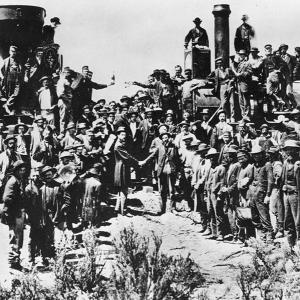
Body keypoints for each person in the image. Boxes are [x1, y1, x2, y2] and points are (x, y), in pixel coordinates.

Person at [2, 160, 28, 270]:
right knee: (15, 238)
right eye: (20, 169)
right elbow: (6, 198)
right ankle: (13, 262)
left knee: (18, 237)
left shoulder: (18, 180)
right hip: (14, 214)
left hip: (17, 212)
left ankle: (15, 260)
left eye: (23, 169)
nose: (23, 171)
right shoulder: (13, 181)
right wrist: (16, 206)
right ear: (16, 171)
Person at [113, 127, 146, 215]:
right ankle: (123, 210)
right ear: (118, 135)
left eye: (125, 134)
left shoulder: (120, 144)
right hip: (122, 168)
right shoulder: (118, 146)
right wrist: (137, 162)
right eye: (122, 135)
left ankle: (117, 209)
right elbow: (127, 157)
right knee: (124, 189)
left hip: (121, 167)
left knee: (120, 190)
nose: (124, 136)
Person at [248, 145, 274, 240]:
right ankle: (262, 236)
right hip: (253, 194)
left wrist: (268, 195)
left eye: (258, 155)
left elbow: (271, 181)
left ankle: (270, 238)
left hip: (262, 195)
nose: (256, 157)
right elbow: (251, 180)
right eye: (254, 155)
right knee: (255, 217)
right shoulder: (254, 166)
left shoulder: (267, 165)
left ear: (262, 154)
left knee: (264, 217)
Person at [281, 140, 300, 248]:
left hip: (296, 195)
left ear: (296, 151)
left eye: (291, 149)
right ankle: (291, 246)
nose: (289, 152)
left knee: (298, 221)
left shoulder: (298, 164)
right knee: (288, 221)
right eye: (287, 149)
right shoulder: (285, 163)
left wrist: (293, 188)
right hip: (286, 195)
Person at [0, 45, 23, 114]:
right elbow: (1, 70)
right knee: (7, 94)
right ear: (9, 52)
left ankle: (7, 105)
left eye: (15, 51)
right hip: (8, 80)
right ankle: (8, 111)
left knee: (16, 93)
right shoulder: (5, 61)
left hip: (16, 80)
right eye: (12, 51)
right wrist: (3, 78)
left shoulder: (18, 61)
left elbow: (21, 71)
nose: (13, 53)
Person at [232, 49, 252, 119]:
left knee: (246, 100)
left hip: (244, 83)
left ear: (245, 56)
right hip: (239, 83)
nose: (241, 56)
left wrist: (240, 74)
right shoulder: (239, 63)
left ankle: (247, 115)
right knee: (241, 100)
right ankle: (243, 115)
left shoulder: (247, 63)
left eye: (242, 55)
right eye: (240, 55)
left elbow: (249, 73)